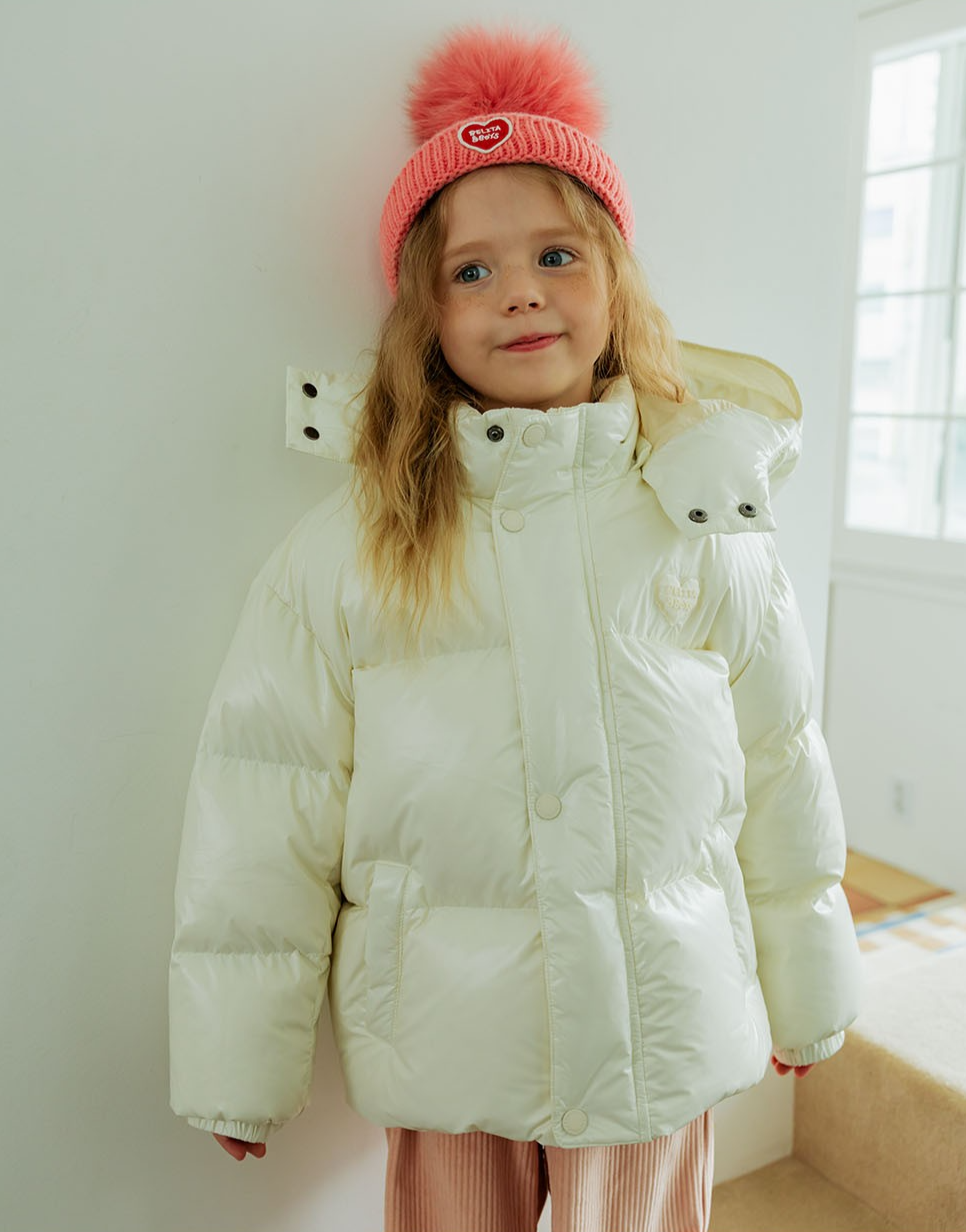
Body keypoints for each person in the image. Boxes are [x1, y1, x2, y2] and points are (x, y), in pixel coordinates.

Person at [168, 22, 863, 1232]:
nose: (522, 291)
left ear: (614, 280)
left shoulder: (699, 518)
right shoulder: (350, 548)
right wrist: (238, 1058)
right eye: (470, 271)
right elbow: (261, 798)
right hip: (448, 1036)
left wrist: (807, 989)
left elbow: (779, 762)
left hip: (659, 1027)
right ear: (421, 315)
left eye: (555, 252)